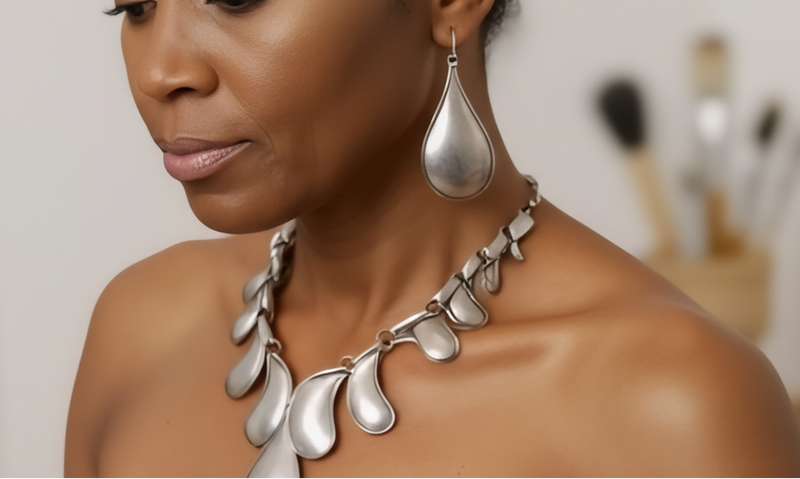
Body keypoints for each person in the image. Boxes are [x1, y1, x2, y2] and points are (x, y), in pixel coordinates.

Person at [65, 0, 800, 477]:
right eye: (134, 6)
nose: (163, 70)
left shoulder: (670, 403)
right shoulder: (139, 327)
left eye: (234, 0)